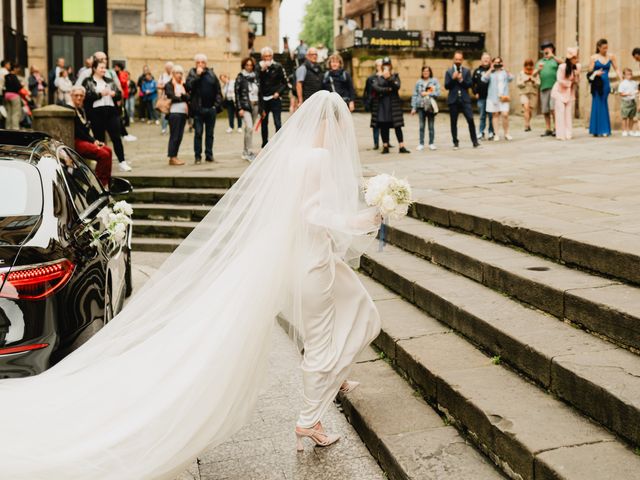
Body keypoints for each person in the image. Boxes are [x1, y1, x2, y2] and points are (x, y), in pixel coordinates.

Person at [0, 89, 383, 479]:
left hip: (306, 255)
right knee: (320, 339)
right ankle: (310, 419)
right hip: (311, 262)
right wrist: (361, 221)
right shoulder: (318, 158)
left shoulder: (293, 155)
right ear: (330, 126)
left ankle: (336, 375)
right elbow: (311, 211)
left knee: (361, 309)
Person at [82, 59, 132, 172]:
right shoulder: (87, 81)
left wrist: (115, 94)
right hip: (96, 113)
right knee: (99, 139)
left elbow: (119, 94)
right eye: (101, 68)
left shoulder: (109, 81)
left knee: (116, 137)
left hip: (111, 111)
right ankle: (103, 162)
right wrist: (100, 94)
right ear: (94, 68)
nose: (104, 70)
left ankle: (122, 161)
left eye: (105, 68)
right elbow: (86, 96)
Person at [67, 85, 113, 186]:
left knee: (108, 150)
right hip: (76, 141)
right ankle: (99, 184)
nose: (79, 98)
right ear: (71, 95)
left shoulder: (80, 109)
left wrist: (93, 140)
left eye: (81, 95)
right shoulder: (69, 109)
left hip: (84, 139)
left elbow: (86, 130)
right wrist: (92, 141)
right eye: (76, 95)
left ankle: (107, 183)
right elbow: (78, 132)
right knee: (103, 154)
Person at [186, 53, 222, 164]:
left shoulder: (211, 74)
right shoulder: (192, 73)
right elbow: (188, 87)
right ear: (195, 64)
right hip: (198, 109)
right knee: (198, 133)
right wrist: (198, 76)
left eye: (202, 62)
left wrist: (216, 106)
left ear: (206, 64)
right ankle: (197, 157)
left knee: (210, 134)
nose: (200, 64)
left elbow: (218, 91)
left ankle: (209, 155)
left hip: (210, 109)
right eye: (198, 62)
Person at [371, 57, 409, 154]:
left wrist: (389, 78)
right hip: (382, 106)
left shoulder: (395, 76)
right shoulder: (378, 78)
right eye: (385, 65)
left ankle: (402, 146)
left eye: (388, 65)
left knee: (398, 126)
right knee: (384, 126)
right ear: (382, 66)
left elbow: (397, 86)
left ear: (391, 66)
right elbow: (376, 88)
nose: (387, 67)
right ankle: (385, 146)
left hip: (394, 105)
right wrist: (388, 89)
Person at [445, 51, 479, 149]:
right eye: (456, 59)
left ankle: (475, 141)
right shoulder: (449, 71)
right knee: (453, 122)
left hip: (464, 99)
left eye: (460, 59)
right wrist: (453, 79)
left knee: (470, 119)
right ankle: (455, 142)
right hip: (453, 100)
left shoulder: (466, 71)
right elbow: (447, 86)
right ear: (453, 59)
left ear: (462, 60)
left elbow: (469, 85)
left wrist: (461, 80)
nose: (458, 61)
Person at [588, 38, 621, 137]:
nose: (605, 50)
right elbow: (589, 71)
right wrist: (596, 72)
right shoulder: (593, 57)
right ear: (599, 47)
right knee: (596, 104)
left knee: (603, 104)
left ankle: (605, 129)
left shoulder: (611, 57)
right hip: (596, 84)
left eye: (607, 48)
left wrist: (622, 80)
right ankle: (596, 130)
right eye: (603, 48)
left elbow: (617, 68)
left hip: (606, 84)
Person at [258, 46, 287, 147]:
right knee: (264, 123)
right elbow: (257, 83)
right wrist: (262, 71)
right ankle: (264, 143)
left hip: (275, 98)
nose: (267, 58)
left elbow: (284, 83)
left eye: (269, 56)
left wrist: (278, 92)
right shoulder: (258, 67)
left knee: (277, 122)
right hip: (263, 100)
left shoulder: (278, 66)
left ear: (272, 56)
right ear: (262, 57)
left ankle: (278, 144)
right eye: (265, 56)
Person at [482, 56, 514, 141]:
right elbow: (483, 79)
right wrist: (490, 69)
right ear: (492, 63)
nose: (497, 64)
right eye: (495, 62)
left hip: (504, 97)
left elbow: (511, 78)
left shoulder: (504, 72)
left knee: (505, 115)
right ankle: (496, 134)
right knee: (495, 115)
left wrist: (505, 69)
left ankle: (506, 133)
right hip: (493, 97)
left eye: (499, 62)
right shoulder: (491, 73)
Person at [552, 48, 581, 141]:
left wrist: (577, 76)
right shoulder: (562, 67)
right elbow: (559, 80)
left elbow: (577, 81)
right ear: (570, 59)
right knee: (560, 112)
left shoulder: (576, 68)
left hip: (569, 93)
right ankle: (560, 134)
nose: (576, 60)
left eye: (576, 58)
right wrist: (569, 83)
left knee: (568, 113)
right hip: (559, 92)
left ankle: (568, 133)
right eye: (574, 58)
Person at [235, 57, 260, 162]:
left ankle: (245, 151)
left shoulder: (255, 77)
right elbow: (237, 93)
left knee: (249, 130)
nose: (249, 67)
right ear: (244, 66)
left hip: (255, 105)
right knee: (249, 127)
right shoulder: (240, 77)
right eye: (247, 65)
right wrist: (239, 108)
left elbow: (260, 92)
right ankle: (249, 152)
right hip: (245, 105)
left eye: (251, 65)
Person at [411, 65, 441, 151]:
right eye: (424, 71)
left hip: (430, 106)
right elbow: (415, 95)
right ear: (422, 72)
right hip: (420, 106)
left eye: (427, 71)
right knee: (421, 126)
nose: (425, 72)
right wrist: (413, 107)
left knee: (431, 126)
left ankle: (431, 143)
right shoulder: (418, 82)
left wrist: (428, 93)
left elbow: (438, 93)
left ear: (430, 72)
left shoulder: (434, 81)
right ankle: (421, 143)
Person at [535, 42, 562, 136]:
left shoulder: (555, 59)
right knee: (545, 110)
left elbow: (564, 63)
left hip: (555, 87)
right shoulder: (540, 61)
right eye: (544, 48)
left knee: (553, 109)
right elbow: (533, 74)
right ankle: (548, 128)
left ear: (552, 49)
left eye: (548, 48)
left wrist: (553, 56)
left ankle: (556, 128)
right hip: (543, 87)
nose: (546, 50)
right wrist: (538, 69)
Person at [164, 65, 189, 166]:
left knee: (179, 136)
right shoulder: (169, 84)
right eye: (177, 73)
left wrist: (182, 97)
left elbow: (188, 96)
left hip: (183, 113)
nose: (179, 75)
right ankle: (172, 157)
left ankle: (175, 156)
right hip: (174, 113)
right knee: (174, 135)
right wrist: (182, 97)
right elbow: (172, 96)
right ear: (173, 74)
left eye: (181, 73)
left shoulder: (183, 85)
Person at [472, 52, 494, 139]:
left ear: (490, 60)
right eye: (484, 58)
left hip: (491, 98)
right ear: (481, 60)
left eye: (488, 58)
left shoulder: (493, 71)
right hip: (481, 97)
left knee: (491, 116)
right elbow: (473, 83)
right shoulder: (477, 71)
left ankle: (491, 132)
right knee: (482, 116)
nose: (486, 59)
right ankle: (481, 132)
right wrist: (475, 92)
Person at [364, 58, 383, 149]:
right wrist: (368, 103)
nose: (380, 66)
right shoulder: (371, 78)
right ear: (376, 66)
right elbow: (367, 92)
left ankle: (386, 142)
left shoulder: (387, 76)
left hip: (385, 103)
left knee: (385, 123)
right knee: (375, 124)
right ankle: (376, 143)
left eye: (382, 65)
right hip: (375, 103)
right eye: (378, 65)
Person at [517, 59, 539, 132]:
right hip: (524, 93)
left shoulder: (535, 73)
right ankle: (526, 125)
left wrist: (533, 81)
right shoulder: (521, 73)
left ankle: (528, 123)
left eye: (530, 65)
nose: (529, 67)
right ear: (525, 65)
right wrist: (525, 81)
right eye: (527, 65)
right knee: (526, 108)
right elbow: (518, 84)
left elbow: (538, 84)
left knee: (530, 111)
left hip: (533, 93)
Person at [618, 67, 638, 137]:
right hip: (625, 102)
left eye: (630, 74)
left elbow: (636, 90)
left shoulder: (634, 83)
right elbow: (620, 93)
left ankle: (630, 130)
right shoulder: (622, 83)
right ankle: (624, 131)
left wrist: (636, 92)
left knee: (631, 117)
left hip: (632, 101)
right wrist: (627, 94)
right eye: (627, 74)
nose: (629, 76)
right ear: (624, 75)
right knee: (624, 117)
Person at [3, 63, 23, 130]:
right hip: (14, 96)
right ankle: (15, 129)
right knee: (15, 113)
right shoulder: (14, 76)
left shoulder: (6, 76)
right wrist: (22, 85)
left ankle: (8, 128)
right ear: (14, 68)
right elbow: (18, 86)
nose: (19, 70)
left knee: (9, 113)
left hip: (6, 95)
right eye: (18, 68)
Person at [158, 61, 174, 135]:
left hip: (173, 97)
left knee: (172, 114)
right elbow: (158, 85)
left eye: (170, 68)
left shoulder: (174, 75)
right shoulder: (162, 76)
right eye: (168, 68)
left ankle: (172, 128)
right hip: (164, 97)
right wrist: (165, 86)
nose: (169, 69)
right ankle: (164, 128)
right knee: (164, 114)